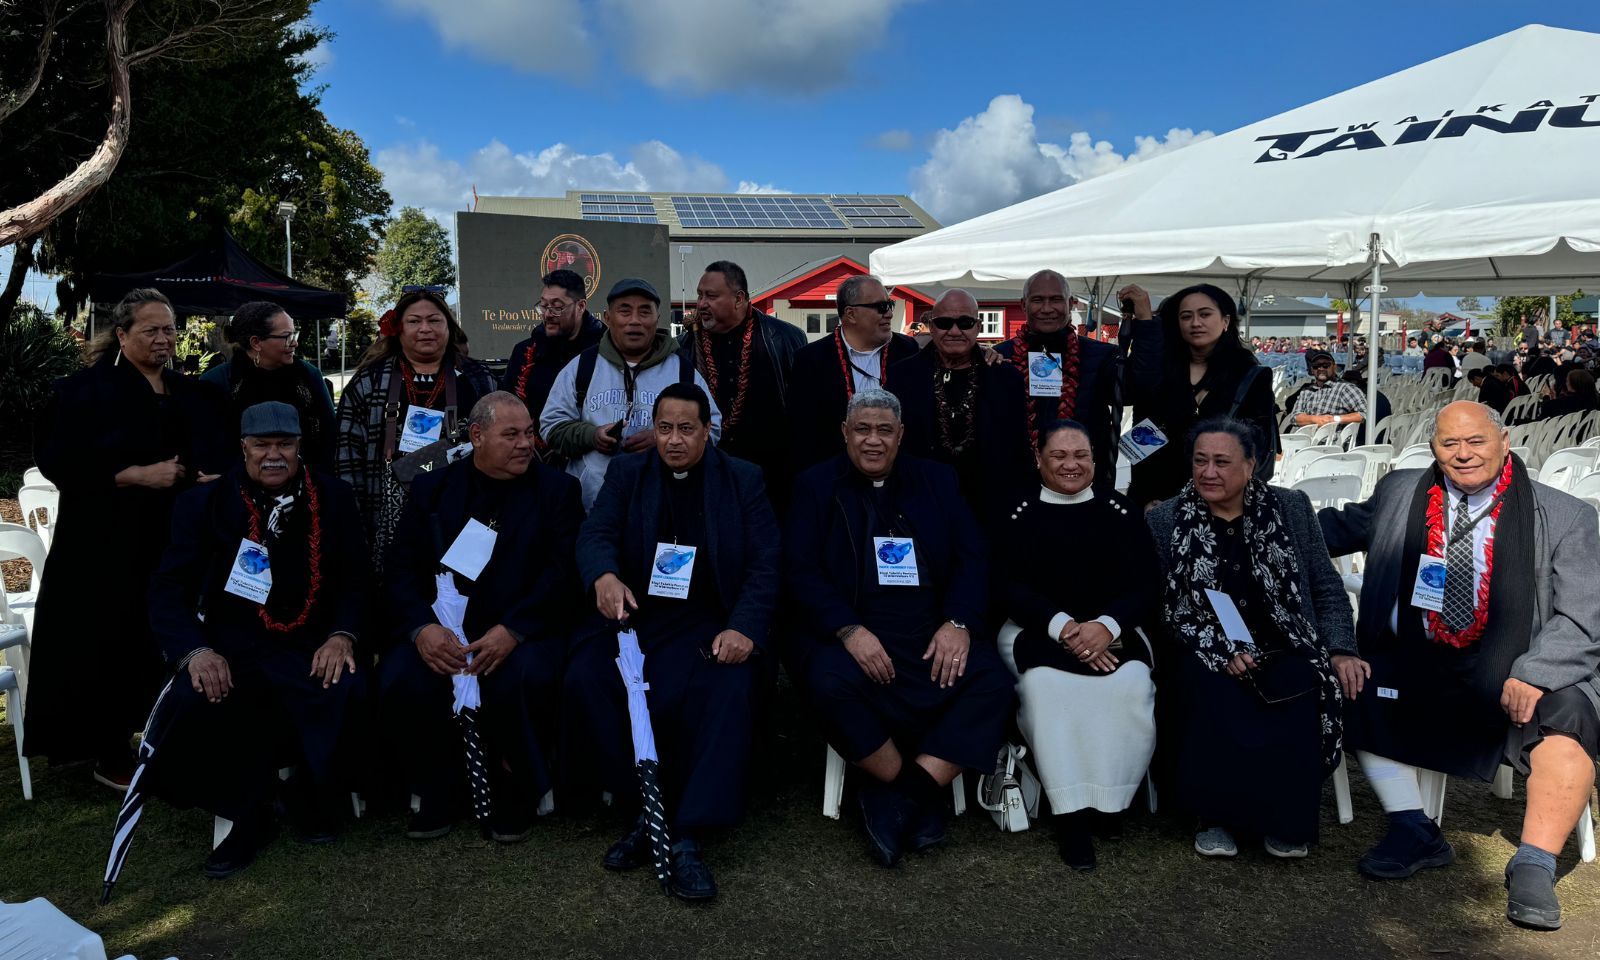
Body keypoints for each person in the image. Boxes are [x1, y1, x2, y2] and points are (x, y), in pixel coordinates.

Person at [1320, 402, 1600, 931]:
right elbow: (1325, 532)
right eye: (1450, 444)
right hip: (1418, 654)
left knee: (1569, 716)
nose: (1464, 454)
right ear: (1434, 449)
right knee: (1356, 685)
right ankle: (1413, 827)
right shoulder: (1401, 492)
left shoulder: (1565, 515)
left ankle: (1534, 862)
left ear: (1505, 440)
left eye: (1476, 441)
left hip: (1521, 660)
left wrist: (1535, 671)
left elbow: (1584, 617)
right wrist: (1245, 506)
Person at [563, 382, 780, 901]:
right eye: (664, 428)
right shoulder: (628, 472)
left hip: (712, 621)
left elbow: (766, 561)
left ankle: (688, 832)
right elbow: (595, 535)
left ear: (708, 431)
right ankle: (644, 806)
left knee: (724, 689)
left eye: (687, 429)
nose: (675, 441)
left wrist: (745, 627)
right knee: (585, 677)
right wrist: (604, 577)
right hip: (638, 618)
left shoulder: (742, 479)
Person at [785, 389, 1013, 866]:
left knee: (992, 682)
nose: (873, 441)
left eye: (884, 430)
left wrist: (958, 623)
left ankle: (900, 794)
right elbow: (800, 570)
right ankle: (912, 792)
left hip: (929, 629)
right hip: (852, 631)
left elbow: (974, 557)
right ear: (844, 433)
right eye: (862, 429)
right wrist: (848, 630)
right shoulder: (814, 485)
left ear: (901, 435)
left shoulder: (938, 480)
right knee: (827, 683)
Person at [145, 402, 368, 876]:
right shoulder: (203, 503)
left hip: (310, 640)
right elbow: (168, 587)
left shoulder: (334, 496)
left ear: (299, 447)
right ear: (242, 448)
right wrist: (196, 652)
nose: (274, 456)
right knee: (191, 701)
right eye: (262, 445)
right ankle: (245, 811)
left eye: (284, 445)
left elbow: (356, 580)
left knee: (344, 686)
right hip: (230, 642)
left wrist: (343, 636)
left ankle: (308, 792)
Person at [24, 288, 227, 788]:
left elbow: (211, 450)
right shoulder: (82, 391)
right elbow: (59, 460)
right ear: (121, 334)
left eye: (170, 329)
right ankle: (106, 749)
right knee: (105, 641)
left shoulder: (191, 392)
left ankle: (169, 733)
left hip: (174, 536)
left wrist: (206, 476)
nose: (164, 339)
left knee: (165, 634)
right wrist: (133, 475)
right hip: (103, 542)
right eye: (151, 330)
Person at [1148, 417, 1358, 860]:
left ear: (1252, 465)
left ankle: (1285, 821)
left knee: (1298, 684)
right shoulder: (1167, 520)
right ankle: (1215, 816)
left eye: (1222, 462)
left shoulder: (1291, 508)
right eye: (1200, 461)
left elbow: (1325, 586)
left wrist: (1341, 648)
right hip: (1200, 645)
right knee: (1211, 687)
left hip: (1284, 640)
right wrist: (1215, 646)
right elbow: (1162, 609)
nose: (1208, 472)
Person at [381, 392, 584, 842]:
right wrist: (422, 630)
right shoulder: (433, 489)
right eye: (510, 434)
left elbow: (562, 574)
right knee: (402, 676)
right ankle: (437, 785)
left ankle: (517, 784)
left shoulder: (557, 491)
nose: (525, 444)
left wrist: (514, 631)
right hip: (444, 628)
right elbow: (399, 568)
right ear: (476, 437)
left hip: (522, 629)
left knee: (521, 678)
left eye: (529, 433)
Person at [993, 421, 1161, 870]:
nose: (1071, 465)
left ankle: (1111, 802)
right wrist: (1065, 628)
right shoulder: (1015, 513)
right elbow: (1006, 585)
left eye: (1081, 455)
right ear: (1039, 459)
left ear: (1094, 458)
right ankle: (1070, 814)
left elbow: (1146, 586)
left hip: (1115, 632)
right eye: (1059, 456)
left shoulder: (1122, 512)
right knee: (1049, 689)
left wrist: (1105, 626)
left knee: (1128, 686)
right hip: (1036, 631)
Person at [335, 288, 498, 570]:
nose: (425, 329)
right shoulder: (370, 382)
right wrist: (355, 521)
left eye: (434, 320)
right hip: (386, 518)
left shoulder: (478, 379)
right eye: (414, 321)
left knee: (461, 590)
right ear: (398, 329)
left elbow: (501, 444)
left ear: (449, 327)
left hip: (465, 512)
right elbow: (347, 457)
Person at [540, 277, 721, 510]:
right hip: (591, 507)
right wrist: (591, 436)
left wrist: (662, 440)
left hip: (664, 506)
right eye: (624, 311)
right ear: (607, 318)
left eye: (645, 312)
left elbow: (712, 428)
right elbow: (550, 426)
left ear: (657, 318)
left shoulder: (682, 371)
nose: (634, 321)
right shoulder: (583, 367)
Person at [1125, 283, 1275, 507]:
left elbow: (1255, 446)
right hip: (1154, 500)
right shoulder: (1160, 370)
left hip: (1221, 503)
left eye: (1205, 314)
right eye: (1186, 316)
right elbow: (1141, 429)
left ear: (1225, 321)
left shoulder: (1250, 376)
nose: (1195, 323)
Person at [888, 289, 1032, 517]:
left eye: (964, 322)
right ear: (932, 327)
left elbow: (1020, 448)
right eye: (945, 323)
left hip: (990, 508)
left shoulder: (1004, 377)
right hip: (921, 504)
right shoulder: (902, 376)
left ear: (978, 326)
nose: (955, 331)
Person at [680, 260, 806, 496]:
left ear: (739, 299)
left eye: (711, 296)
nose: (702, 304)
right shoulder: (685, 346)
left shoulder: (785, 338)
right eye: (700, 296)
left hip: (774, 478)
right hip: (708, 475)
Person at [993, 270, 1122, 484]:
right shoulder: (999, 358)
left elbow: (1140, 391)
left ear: (1071, 303)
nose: (1047, 309)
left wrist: (1145, 325)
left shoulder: (1101, 356)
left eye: (1055, 300)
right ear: (1023, 305)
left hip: (1083, 484)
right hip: (1016, 484)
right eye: (1037, 300)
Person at [785, 274, 921, 471]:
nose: (889, 314)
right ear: (850, 314)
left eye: (889, 305)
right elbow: (802, 433)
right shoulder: (810, 360)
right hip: (836, 478)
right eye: (881, 307)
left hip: (898, 476)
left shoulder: (907, 350)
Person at [201, 301, 338, 469]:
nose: (294, 343)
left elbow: (330, 435)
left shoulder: (309, 375)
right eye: (286, 336)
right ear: (256, 342)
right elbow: (207, 446)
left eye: (294, 334)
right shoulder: (217, 381)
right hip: (235, 488)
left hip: (308, 484)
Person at [499, 268, 606, 461]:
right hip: (533, 460)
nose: (548, 314)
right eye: (543, 306)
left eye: (557, 307)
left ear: (581, 306)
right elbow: (507, 407)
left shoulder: (605, 352)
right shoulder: (523, 352)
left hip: (591, 459)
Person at [1290, 350, 1367, 428]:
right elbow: (1294, 417)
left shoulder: (1345, 388)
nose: (1321, 368)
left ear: (1334, 367)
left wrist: (1335, 419)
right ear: (1312, 370)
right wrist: (1316, 419)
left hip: (1332, 438)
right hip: (1306, 437)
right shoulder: (1306, 391)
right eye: (1316, 366)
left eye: (1325, 365)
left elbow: (1365, 413)